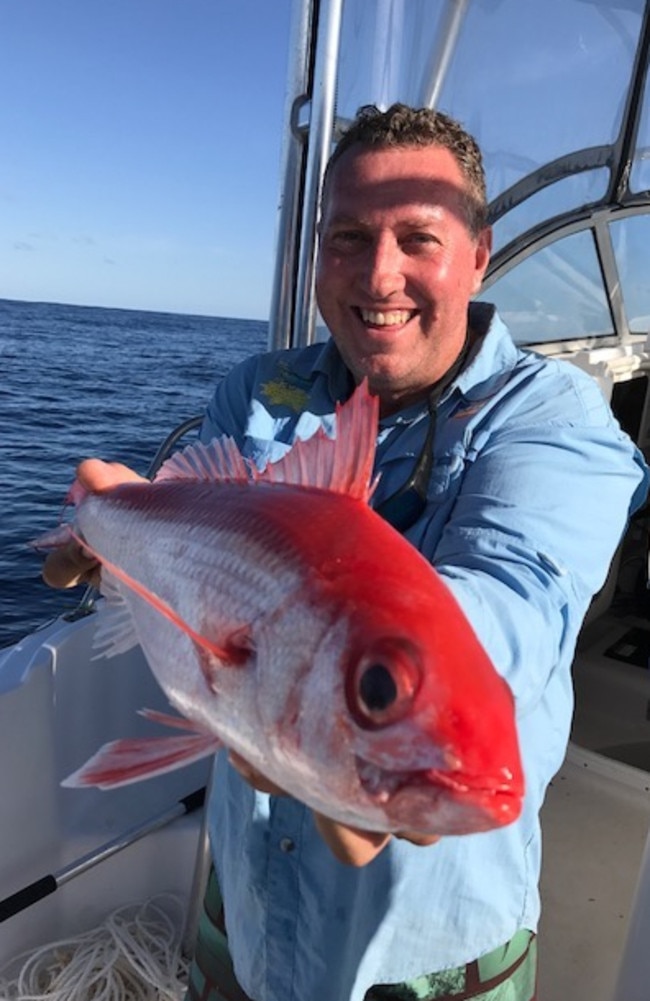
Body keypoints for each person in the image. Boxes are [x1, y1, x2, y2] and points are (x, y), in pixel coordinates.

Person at [44, 104, 649, 1001]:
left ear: (478, 256)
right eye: (349, 236)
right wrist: (91, 541)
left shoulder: (556, 421)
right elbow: (178, 533)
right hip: (242, 919)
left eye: (418, 237)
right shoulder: (261, 390)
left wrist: (374, 703)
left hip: (431, 966)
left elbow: (518, 603)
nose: (379, 273)